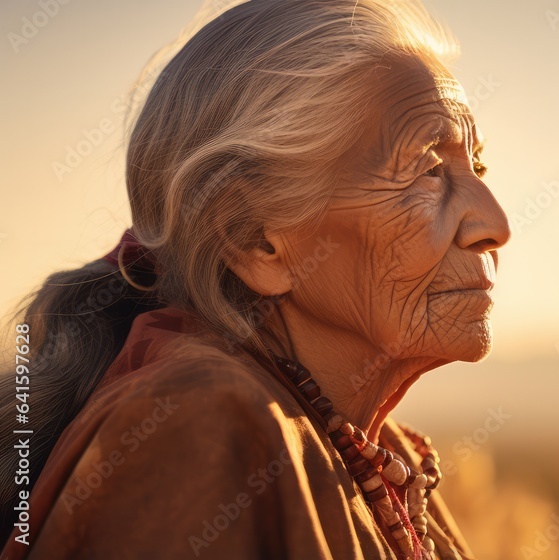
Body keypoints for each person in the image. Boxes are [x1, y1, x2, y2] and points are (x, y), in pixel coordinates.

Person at [0, 0, 510, 557]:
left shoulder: (380, 452)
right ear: (255, 240)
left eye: (476, 168)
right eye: (427, 171)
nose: (494, 225)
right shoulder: (200, 427)